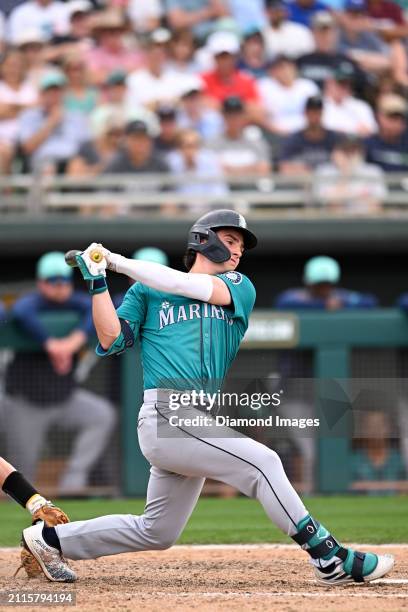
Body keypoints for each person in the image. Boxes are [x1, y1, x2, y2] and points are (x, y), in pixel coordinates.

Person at [22, 210, 393, 586]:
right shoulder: (146, 291)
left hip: (198, 418)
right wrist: (99, 281)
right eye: (230, 241)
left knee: (158, 531)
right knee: (263, 462)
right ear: (203, 239)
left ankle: (50, 539)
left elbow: (190, 287)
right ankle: (328, 557)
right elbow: (109, 338)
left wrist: (116, 261)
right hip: (168, 413)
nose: (237, 252)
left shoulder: (238, 285)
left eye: (241, 246)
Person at [4, 252, 115, 495]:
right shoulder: (30, 305)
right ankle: (26, 513)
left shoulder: (78, 303)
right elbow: (21, 310)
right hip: (27, 404)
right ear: (41, 283)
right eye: (52, 281)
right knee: (24, 471)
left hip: (65, 399)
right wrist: (50, 343)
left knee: (101, 415)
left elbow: (92, 308)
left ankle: (72, 484)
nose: (59, 287)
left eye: (63, 281)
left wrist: (74, 341)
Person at [17, 71, 90, 173]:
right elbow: (28, 147)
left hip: (70, 161)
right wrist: (51, 122)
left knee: (78, 165)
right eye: (49, 91)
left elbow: (86, 147)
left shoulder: (76, 117)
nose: (53, 95)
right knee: (48, 169)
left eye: (57, 91)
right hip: (42, 161)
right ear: (42, 93)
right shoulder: (29, 116)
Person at [313, 136, 387, 214]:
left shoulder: (373, 171)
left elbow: (378, 204)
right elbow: (330, 204)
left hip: (365, 219)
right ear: (335, 152)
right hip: (334, 221)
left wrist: (342, 195)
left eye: (353, 151)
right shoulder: (324, 171)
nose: (349, 155)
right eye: (345, 150)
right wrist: (345, 173)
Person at [276, 255, 379, 309]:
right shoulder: (295, 298)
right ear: (308, 283)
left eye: (327, 284)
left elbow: (370, 301)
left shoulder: (341, 297)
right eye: (319, 284)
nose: (324, 289)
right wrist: (322, 305)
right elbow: (283, 302)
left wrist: (342, 303)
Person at [208, 96, 271, 182]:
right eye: (229, 115)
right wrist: (250, 168)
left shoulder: (255, 141)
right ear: (223, 116)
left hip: (251, 189)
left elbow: (264, 169)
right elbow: (212, 171)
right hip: (223, 190)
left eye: (237, 115)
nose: (234, 119)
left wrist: (231, 170)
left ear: (244, 116)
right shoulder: (212, 142)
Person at [167, 128, 229, 209]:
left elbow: (220, 192)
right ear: (179, 149)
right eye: (186, 146)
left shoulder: (210, 161)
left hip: (209, 211)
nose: (190, 151)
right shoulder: (171, 162)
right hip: (181, 213)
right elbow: (171, 193)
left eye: (194, 146)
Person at [259, 55, 319, 135]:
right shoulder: (264, 86)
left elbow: (317, 112)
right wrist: (274, 130)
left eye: (288, 67)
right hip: (275, 133)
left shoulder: (307, 86)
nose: (285, 71)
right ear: (273, 71)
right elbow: (259, 114)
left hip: (305, 134)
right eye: (280, 68)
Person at [278, 95, 339, 175]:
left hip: (328, 182)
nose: (314, 116)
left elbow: (344, 162)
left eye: (317, 112)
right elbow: (283, 167)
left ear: (322, 113)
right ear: (305, 113)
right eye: (311, 112)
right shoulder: (294, 139)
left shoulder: (333, 138)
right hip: (302, 183)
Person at [322, 67, 377, 136]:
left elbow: (371, 132)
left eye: (347, 83)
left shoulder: (361, 106)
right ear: (329, 83)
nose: (344, 87)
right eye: (340, 83)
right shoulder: (319, 105)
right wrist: (354, 130)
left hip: (356, 144)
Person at [365, 94, 408, 172]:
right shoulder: (368, 144)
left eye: (400, 117)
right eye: (391, 116)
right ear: (379, 116)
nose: (396, 122)